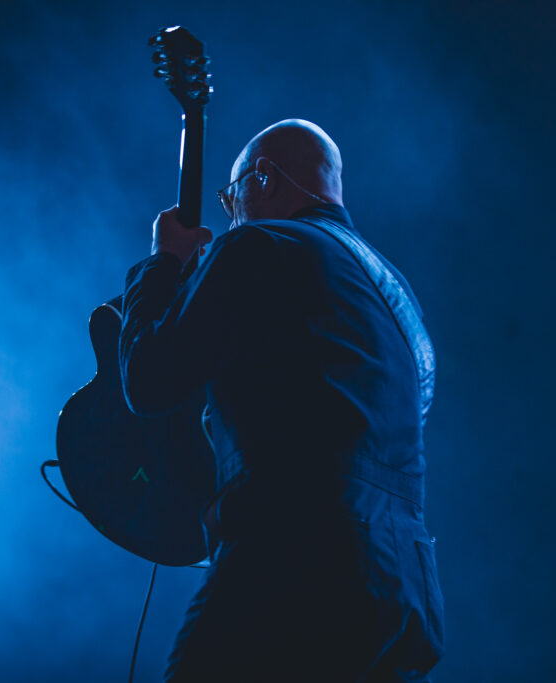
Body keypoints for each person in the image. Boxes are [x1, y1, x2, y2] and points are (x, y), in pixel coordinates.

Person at [119, 119, 444, 682]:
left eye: (232, 196)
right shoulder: (397, 296)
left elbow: (148, 380)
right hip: (403, 592)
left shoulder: (258, 244)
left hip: (294, 560)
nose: (230, 215)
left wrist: (163, 264)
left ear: (263, 179)